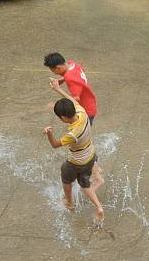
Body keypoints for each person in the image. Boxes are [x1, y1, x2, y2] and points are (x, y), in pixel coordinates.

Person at [44, 79, 104, 222]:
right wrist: (58, 89)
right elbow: (71, 100)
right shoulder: (82, 112)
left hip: (76, 162)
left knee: (66, 178)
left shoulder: (72, 134)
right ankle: (99, 207)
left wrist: (49, 133)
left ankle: (69, 203)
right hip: (90, 156)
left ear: (63, 118)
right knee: (85, 183)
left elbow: (55, 144)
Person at [44, 52, 104, 191]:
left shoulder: (70, 78)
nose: (54, 72)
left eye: (53, 70)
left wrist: (58, 90)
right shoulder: (72, 64)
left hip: (85, 111)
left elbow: (75, 99)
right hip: (91, 104)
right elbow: (69, 75)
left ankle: (96, 174)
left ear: (58, 67)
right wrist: (61, 81)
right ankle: (96, 168)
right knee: (85, 141)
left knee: (83, 142)